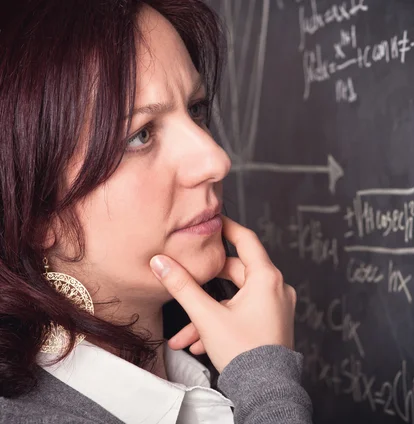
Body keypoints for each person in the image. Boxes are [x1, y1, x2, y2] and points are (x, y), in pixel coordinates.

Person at [0, 0, 313, 423]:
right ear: (36, 216)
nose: (216, 159)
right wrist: (267, 379)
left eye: (197, 109)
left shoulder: (207, 368)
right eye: (140, 135)